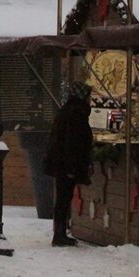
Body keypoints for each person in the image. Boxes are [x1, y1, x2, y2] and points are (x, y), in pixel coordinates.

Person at [43, 80, 95, 247]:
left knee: (63, 198)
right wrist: (72, 167)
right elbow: (72, 142)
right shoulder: (76, 113)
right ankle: (59, 235)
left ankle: (60, 233)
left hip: (62, 163)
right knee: (64, 198)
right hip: (66, 165)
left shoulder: (68, 111)